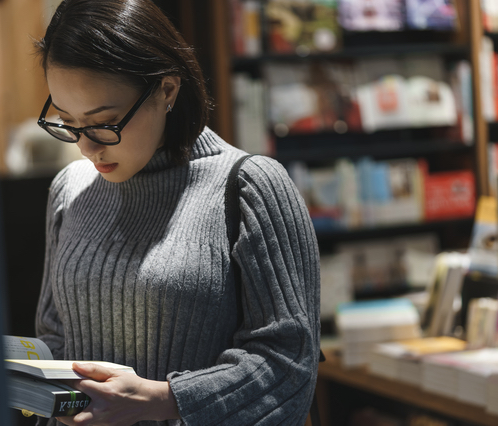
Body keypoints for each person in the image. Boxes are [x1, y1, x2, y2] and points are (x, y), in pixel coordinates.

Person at [32, 1, 321, 425]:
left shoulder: (248, 187)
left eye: (104, 122)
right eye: (68, 122)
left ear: (167, 89)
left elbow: (289, 362)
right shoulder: (70, 188)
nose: (86, 146)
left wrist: (166, 399)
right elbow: (53, 339)